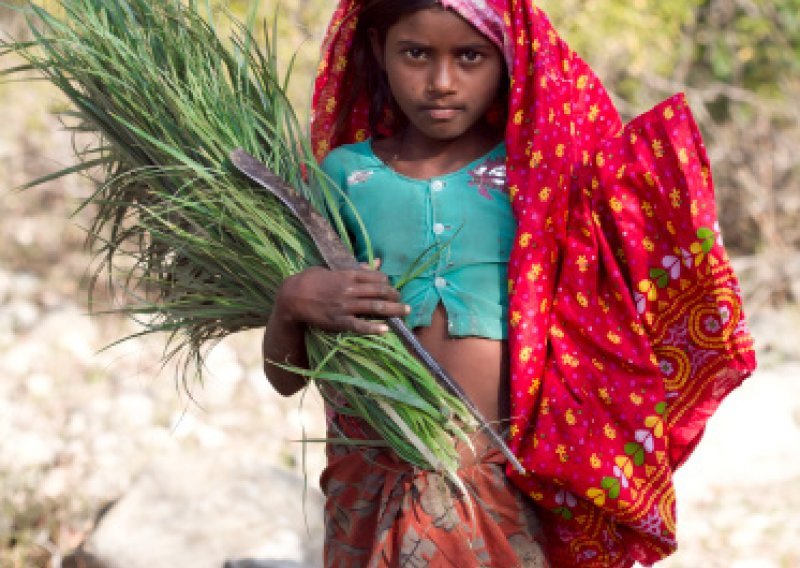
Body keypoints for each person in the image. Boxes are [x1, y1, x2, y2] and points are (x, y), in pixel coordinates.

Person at [263, 1, 757, 566]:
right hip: (372, 485)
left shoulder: (538, 180)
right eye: (416, 54)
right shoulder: (345, 177)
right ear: (377, 51)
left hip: (508, 487)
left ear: (509, 58)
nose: (441, 82)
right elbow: (285, 379)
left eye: (469, 56)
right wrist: (291, 302)